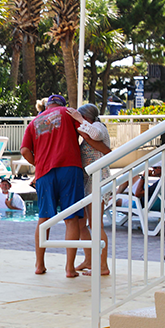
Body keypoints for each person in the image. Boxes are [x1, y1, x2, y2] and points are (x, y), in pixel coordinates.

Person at [20, 94, 84, 278]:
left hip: (44, 174)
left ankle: (39, 265)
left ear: (47, 106)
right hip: (69, 168)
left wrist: (38, 163)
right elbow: (86, 132)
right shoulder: (69, 113)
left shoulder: (34, 122)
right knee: (71, 219)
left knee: (44, 218)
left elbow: (24, 150)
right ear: (63, 104)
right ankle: (70, 268)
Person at [68, 103, 112, 276]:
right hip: (88, 182)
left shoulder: (98, 126)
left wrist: (79, 120)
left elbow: (95, 134)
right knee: (81, 224)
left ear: (87, 117)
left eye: (81, 118)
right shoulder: (87, 131)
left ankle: (102, 266)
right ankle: (89, 259)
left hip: (98, 181)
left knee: (96, 225)